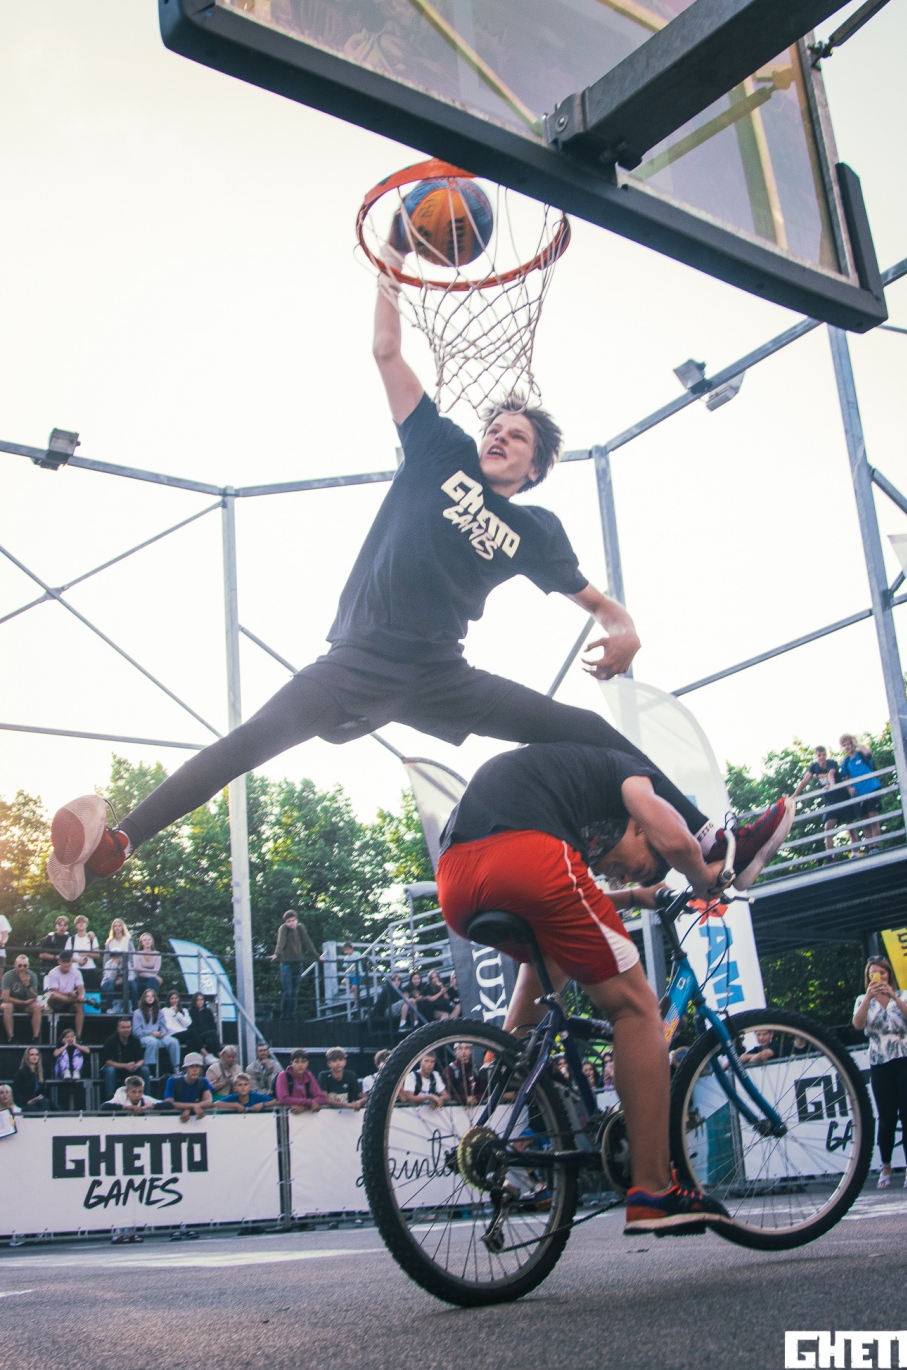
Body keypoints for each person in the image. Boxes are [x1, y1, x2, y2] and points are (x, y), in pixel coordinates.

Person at [46, 265, 790, 904]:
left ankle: (715, 842)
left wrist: (626, 631)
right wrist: (392, 263)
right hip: (359, 660)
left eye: (517, 437)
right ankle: (118, 844)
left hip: (440, 675)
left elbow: (600, 605)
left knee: (590, 730)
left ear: (534, 468)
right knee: (249, 744)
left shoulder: (536, 531)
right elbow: (385, 351)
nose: (498, 435)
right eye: (495, 427)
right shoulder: (440, 449)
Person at [436, 740, 793, 1235]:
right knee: (638, 1009)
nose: (616, 876)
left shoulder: (568, 793)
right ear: (639, 828)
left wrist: (637, 896)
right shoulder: (626, 768)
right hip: (527, 858)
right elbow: (676, 841)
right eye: (633, 868)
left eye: (625, 877)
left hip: (455, 884)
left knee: (553, 949)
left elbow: (564, 889)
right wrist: (704, 877)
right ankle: (653, 1190)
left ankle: (509, 1064)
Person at [852, 954, 907, 1190]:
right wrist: (869, 998)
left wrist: (893, 997)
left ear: (889, 974)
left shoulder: (904, 995)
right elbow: (858, 1024)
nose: (879, 976)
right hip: (880, 1060)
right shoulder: (862, 999)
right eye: (874, 973)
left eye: (883, 972)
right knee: (886, 1116)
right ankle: (886, 1167)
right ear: (868, 976)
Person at [793, 746, 847, 858]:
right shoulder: (814, 767)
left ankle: (855, 853)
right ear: (815, 756)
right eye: (819, 755)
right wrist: (794, 796)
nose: (822, 757)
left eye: (823, 755)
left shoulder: (831, 763)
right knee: (828, 828)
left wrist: (831, 785)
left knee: (850, 825)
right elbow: (804, 781)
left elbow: (831, 774)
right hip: (830, 801)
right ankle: (831, 857)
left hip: (842, 796)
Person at [838, 733, 883, 856]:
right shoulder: (846, 762)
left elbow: (868, 752)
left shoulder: (861, 754)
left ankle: (876, 847)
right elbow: (845, 778)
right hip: (858, 795)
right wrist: (849, 788)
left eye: (849, 743)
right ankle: (870, 847)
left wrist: (857, 744)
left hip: (871, 789)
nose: (847, 747)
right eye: (844, 745)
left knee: (873, 820)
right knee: (865, 824)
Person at [271, 911, 318, 1022]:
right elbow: (281, 942)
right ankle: (284, 1016)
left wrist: (316, 956)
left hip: (298, 964)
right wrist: (276, 954)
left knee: (295, 992)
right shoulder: (283, 928)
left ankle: (291, 1016)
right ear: (285, 922)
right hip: (286, 965)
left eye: (293, 920)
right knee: (288, 992)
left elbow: (307, 942)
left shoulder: (300, 928)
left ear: (297, 920)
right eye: (288, 921)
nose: (291, 923)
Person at [133, 989, 181, 1076]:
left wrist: (162, 1033)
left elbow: (163, 1027)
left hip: (158, 1036)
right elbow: (136, 1032)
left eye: (152, 996)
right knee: (153, 1042)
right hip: (144, 1036)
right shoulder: (137, 1013)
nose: (150, 998)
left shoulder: (159, 1012)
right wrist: (152, 1032)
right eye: (147, 996)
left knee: (174, 1041)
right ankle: (149, 1070)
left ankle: (176, 1069)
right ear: (144, 998)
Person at [100, 1017, 147, 1100]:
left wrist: (136, 1065)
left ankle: (145, 1098)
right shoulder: (110, 1041)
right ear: (118, 1029)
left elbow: (141, 1059)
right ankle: (111, 1100)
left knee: (145, 1070)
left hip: (131, 1069)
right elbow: (108, 1062)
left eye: (128, 1027)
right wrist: (125, 1066)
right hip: (115, 1069)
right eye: (123, 1027)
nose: (126, 1030)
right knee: (110, 1071)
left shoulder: (135, 1040)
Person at [43, 952, 86, 1038]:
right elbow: (55, 991)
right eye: (64, 962)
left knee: (79, 1006)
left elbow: (81, 989)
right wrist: (70, 995)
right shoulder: (53, 972)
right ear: (59, 962)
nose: (66, 964)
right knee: (54, 995)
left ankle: (78, 1036)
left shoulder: (77, 972)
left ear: (71, 962)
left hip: (70, 1002)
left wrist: (80, 996)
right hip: (57, 1002)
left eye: (68, 961)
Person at [1, 953, 43, 1042]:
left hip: (26, 1004)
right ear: (15, 965)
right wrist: (23, 1002)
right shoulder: (8, 976)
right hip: (12, 1003)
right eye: (19, 966)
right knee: (8, 1007)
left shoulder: (32, 976)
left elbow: (35, 997)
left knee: (37, 1007)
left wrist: (27, 984)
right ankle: (11, 1037)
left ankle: (35, 1037)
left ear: (28, 966)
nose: (22, 968)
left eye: (25, 966)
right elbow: (5, 998)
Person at [162, 1053, 213, 1122]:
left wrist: (190, 1108)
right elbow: (169, 1102)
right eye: (191, 1067)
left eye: (197, 1067)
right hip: (172, 1120)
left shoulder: (203, 1081)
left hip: (196, 1121)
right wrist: (193, 1106)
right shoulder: (172, 1081)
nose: (194, 1070)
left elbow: (209, 1101)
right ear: (186, 1068)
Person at [100, 918, 134, 1012]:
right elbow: (106, 958)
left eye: (119, 926)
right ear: (113, 928)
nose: (117, 928)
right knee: (111, 983)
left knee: (131, 984)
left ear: (123, 927)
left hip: (126, 969)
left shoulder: (128, 940)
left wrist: (130, 973)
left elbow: (132, 957)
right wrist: (107, 971)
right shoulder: (109, 942)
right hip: (111, 969)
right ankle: (109, 1008)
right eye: (115, 926)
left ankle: (130, 1007)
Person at [441, 1041, 486, 1106]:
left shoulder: (477, 1069)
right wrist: (465, 1099)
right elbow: (445, 1095)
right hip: (456, 1108)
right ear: (455, 1052)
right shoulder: (449, 1071)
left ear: (470, 1051)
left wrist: (476, 1098)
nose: (463, 1051)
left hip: (478, 1107)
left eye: (466, 1048)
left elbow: (485, 1091)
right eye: (460, 1048)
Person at [180, 992, 221, 1064]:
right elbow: (192, 1027)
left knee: (210, 1041)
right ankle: (220, 1054)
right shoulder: (190, 1012)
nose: (200, 1002)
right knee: (213, 1033)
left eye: (202, 999)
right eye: (198, 1000)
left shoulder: (208, 1011)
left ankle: (211, 1061)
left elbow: (213, 1026)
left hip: (208, 1035)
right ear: (194, 1001)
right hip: (197, 1036)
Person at [13, 1046, 49, 1113]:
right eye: (32, 1055)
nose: (35, 1057)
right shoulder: (20, 1073)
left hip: (38, 1102)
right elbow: (16, 1094)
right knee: (37, 1109)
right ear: (27, 1057)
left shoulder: (41, 1073)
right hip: (25, 1103)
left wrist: (40, 1097)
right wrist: (27, 1101)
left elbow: (43, 1092)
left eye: (37, 1055)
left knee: (48, 1104)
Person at [159, 989, 194, 1058]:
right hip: (172, 1035)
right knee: (192, 1032)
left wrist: (177, 1014)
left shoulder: (184, 1010)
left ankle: (190, 1061)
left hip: (184, 1034)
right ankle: (205, 1054)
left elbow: (188, 1024)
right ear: (169, 1000)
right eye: (172, 998)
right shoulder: (165, 1011)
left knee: (191, 1041)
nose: (174, 1000)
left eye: (176, 998)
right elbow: (168, 1027)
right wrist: (182, 1030)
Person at [131, 932, 162, 1003]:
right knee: (153, 980)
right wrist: (156, 976)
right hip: (140, 980)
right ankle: (150, 1003)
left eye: (149, 939)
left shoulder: (157, 954)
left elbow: (155, 971)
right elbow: (137, 969)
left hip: (152, 980)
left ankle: (148, 1003)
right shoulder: (137, 954)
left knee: (152, 980)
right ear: (141, 943)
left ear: (152, 941)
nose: (147, 941)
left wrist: (146, 971)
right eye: (144, 940)